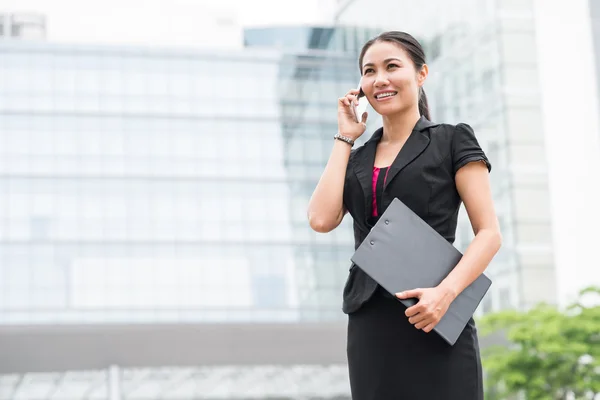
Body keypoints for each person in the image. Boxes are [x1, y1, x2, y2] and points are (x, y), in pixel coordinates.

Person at [307, 31, 502, 399]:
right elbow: (321, 219)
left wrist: (444, 294)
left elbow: (489, 233)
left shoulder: (452, 139)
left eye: (391, 66)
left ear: (421, 73)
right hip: (371, 320)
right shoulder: (357, 157)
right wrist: (345, 137)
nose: (379, 78)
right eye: (369, 71)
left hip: (437, 312)